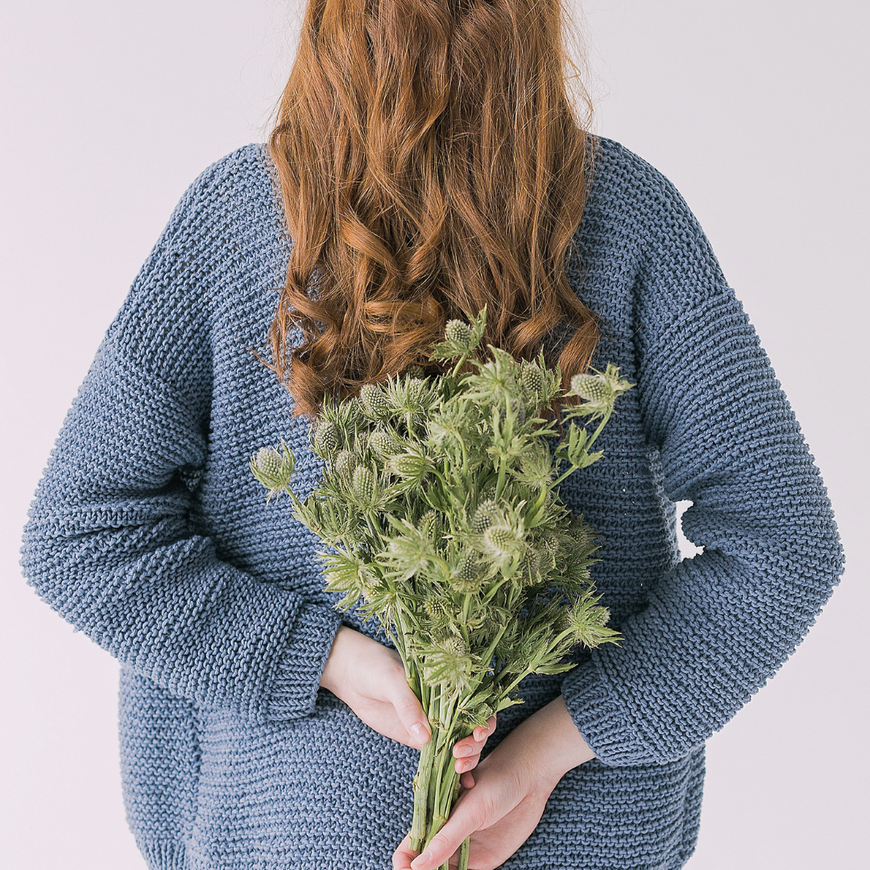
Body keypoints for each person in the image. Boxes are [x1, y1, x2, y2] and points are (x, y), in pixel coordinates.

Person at [19, 1, 845, 869]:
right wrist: (550, 748)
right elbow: (783, 545)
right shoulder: (629, 215)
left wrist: (327, 661)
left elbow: (82, 538)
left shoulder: (236, 220)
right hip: (590, 833)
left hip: (282, 826)